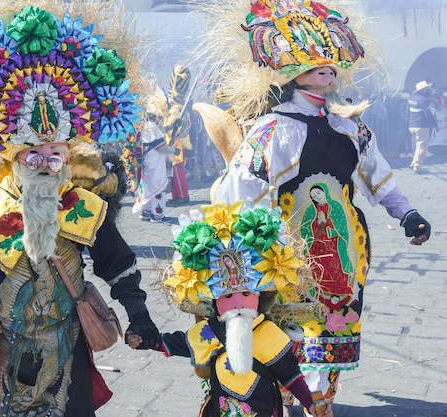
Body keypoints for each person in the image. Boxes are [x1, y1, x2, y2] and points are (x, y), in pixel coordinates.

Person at [0, 1, 161, 416]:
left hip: (68, 342)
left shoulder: (84, 207)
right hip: (11, 345)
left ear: (67, 156)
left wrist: (139, 315)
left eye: (54, 156)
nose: (43, 166)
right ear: (14, 159)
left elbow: (118, 265)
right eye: (31, 157)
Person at [195, 1, 432, 415]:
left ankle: (319, 404)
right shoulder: (273, 130)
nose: (326, 69)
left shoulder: (350, 127)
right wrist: (237, 247)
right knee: (293, 338)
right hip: (289, 259)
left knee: (333, 338)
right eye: (313, 63)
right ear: (289, 71)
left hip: (345, 253)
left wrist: (406, 214)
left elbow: (378, 176)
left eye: (330, 63)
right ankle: (294, 400)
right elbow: (236, 193)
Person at [128, 203, 332, 417]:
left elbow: (290, 375)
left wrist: (310, 402)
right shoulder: (209, 332)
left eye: (246, 294)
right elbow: (175, 343)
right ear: (215, 303)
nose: (237, 304)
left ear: (260, 298)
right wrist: (144, 340)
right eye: (226, 296)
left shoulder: (269, 334)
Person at [133, 86, 175, 223]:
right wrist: (175, 151)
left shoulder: (148, 125)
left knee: (149, 187)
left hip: (150, 162)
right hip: (154, 163)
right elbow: (161, 146)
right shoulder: (151, 126)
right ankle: (158, 215)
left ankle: (146, 212)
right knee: (158, 188)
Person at [164, 65, 193, 206]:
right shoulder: (179, 108)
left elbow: (169, 129)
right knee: (174, 172)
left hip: (176, 144)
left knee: (177, 170)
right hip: (175, 144)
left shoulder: (176, 110)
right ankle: (176, 195)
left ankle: (182, 195)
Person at [408, 80, 438, 174]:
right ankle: (417, 167)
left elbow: (407, 113)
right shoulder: (423, 100)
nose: (427, 91)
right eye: (426, 89)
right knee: (422, 147)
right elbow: (428, 114)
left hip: (412, 125)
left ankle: (413, 163)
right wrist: (435, 125)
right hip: (421, 126)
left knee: (418, 146)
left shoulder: (411, 98)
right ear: (422, 90)